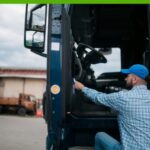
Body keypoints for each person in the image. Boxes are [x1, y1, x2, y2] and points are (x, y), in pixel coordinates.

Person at [74, 64, 150, 150]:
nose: (125, 79)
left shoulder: (123, 97)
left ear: (134, 79)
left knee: (100, 136)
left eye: (128, 76)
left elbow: (98, 98)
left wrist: (82, 87)